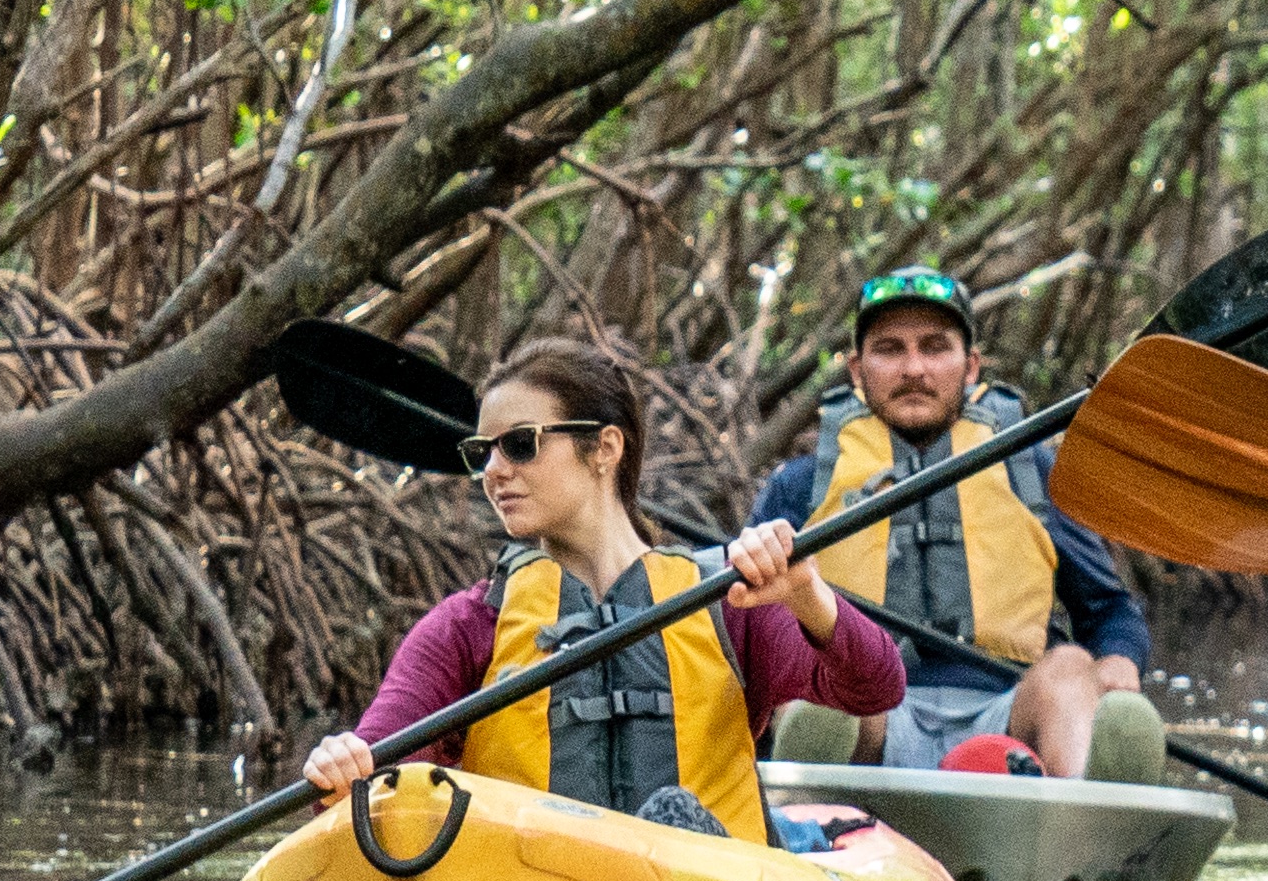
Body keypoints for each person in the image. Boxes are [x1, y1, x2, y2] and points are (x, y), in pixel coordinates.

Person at [306, 346, 900, 842]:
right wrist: (344, 764)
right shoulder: (468, 626)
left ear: (605, 449)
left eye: (519, 444)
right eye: (481, 452)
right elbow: (374, 775)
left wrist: (805, 595)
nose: (493, 470)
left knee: (672, 813)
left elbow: (876, 685)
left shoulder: (728, 601)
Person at [746, 267, 1166, 779]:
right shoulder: (801, 485)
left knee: (1072, 667)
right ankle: (803, 823)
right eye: (890, 349)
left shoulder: (1030, 469)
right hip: (866, 712)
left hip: (1006, 718)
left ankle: (1081, 831)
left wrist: (1118, 661)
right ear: (857, 370)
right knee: (817, 694)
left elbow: (1109, 611)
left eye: (935, 347)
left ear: (970, 367)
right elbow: (742, 624)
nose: (914, 368)